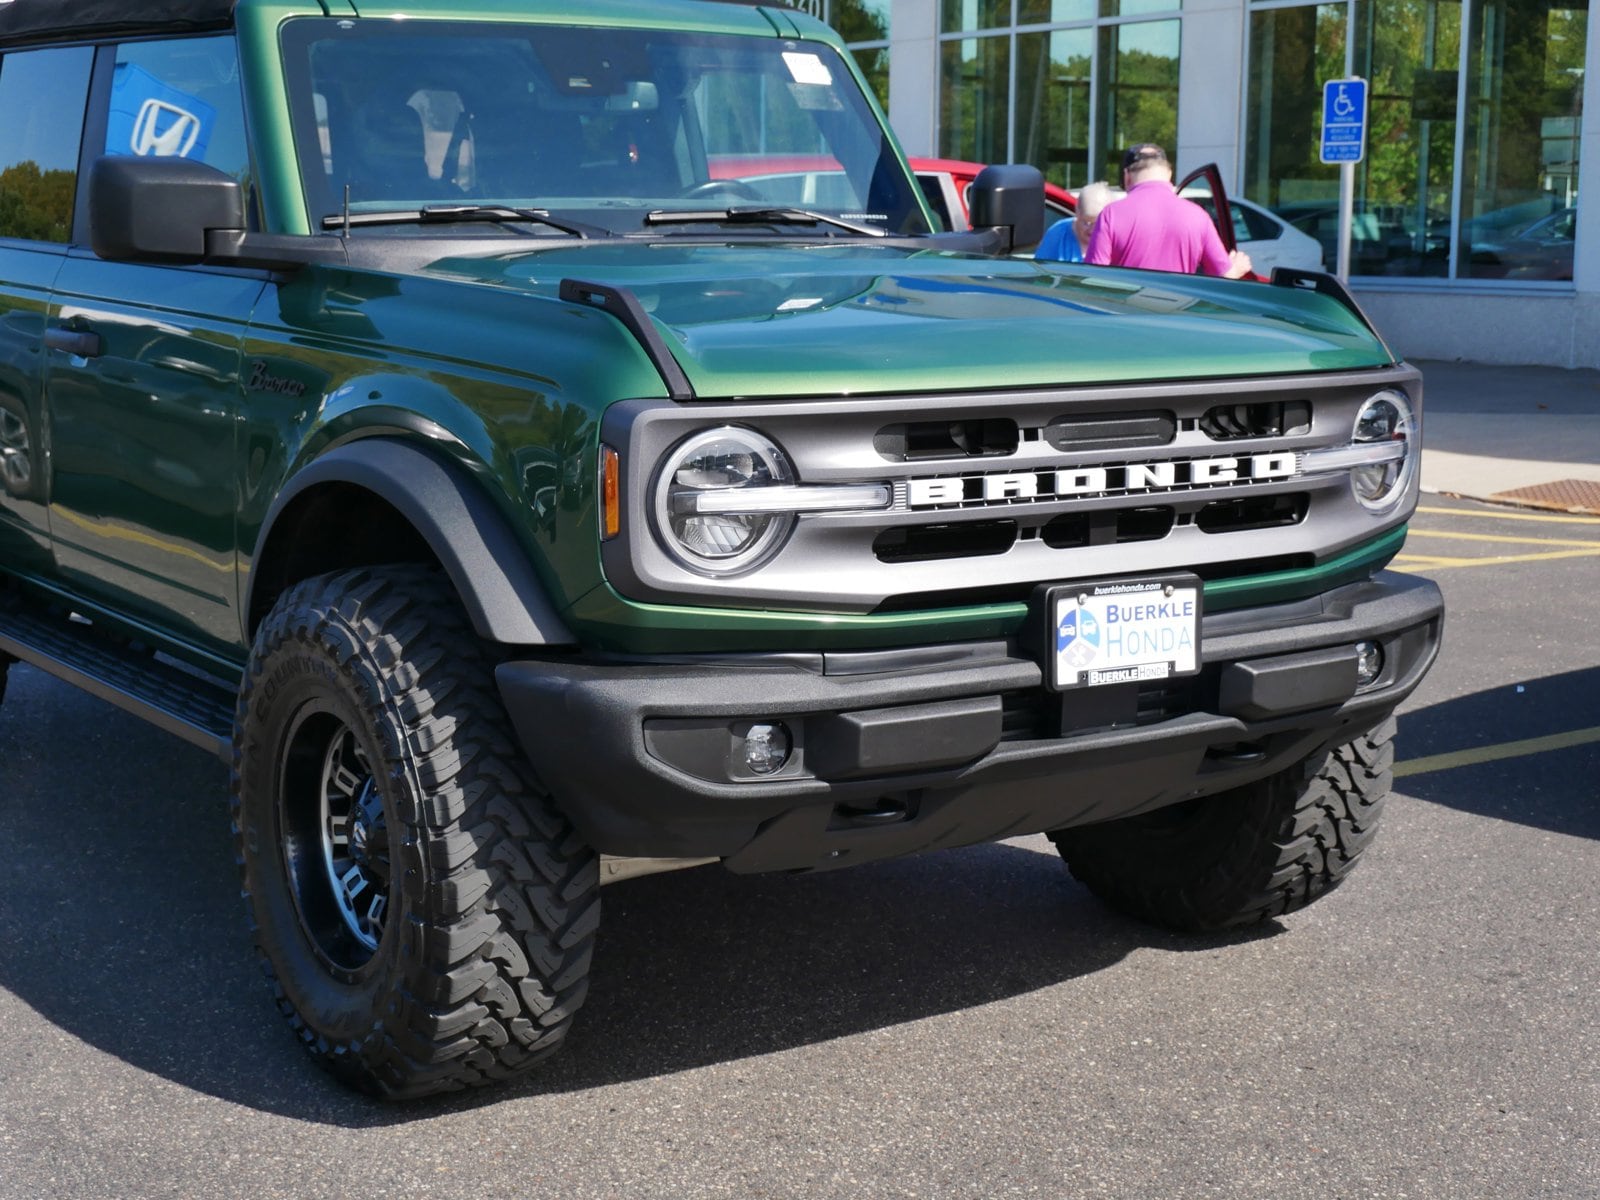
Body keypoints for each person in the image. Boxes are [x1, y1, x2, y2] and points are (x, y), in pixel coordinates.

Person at [1084, 143, 1252, 279]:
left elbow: (1092, 279)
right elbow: (1223, 276)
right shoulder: (1198, 216)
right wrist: (1238, 267)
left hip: (1126, 317)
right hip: (1175, 318)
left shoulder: (1111, 215)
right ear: (1169, 174)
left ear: (1127, 175)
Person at [1034, 181, 1115, 263]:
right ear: (1077, 211)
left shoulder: (1118, 238)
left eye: (1098, 224)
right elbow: (1039, 270)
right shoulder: (1058, 234)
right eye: (1086, 223)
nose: (1092, 230)